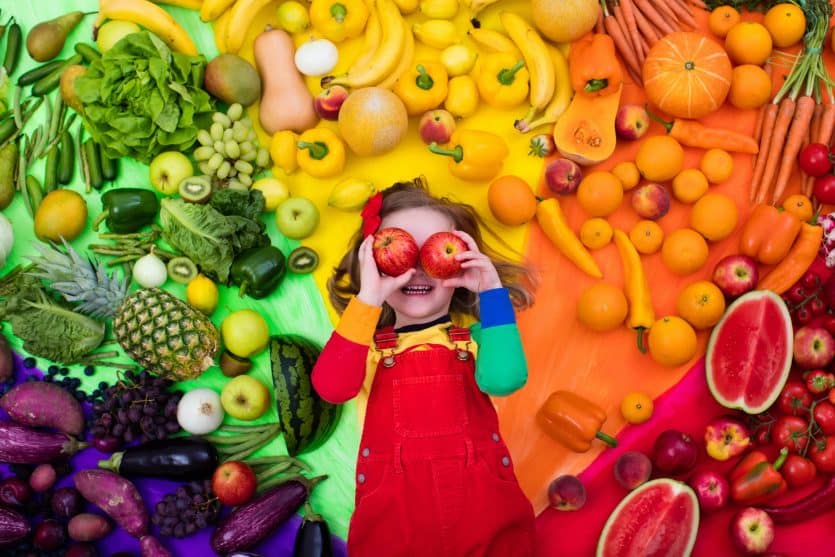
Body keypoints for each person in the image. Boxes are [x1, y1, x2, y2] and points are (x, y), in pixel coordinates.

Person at [311, 177, 537, 557]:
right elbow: (331, 387)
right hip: (394, 529)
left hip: (488, 522)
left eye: (435, 251)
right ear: (371, 262)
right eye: (399, 252)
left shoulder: (478, 339)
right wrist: (368, 298)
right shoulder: (364, 350)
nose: (416, 269)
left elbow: (505, 378)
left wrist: (491, 292)